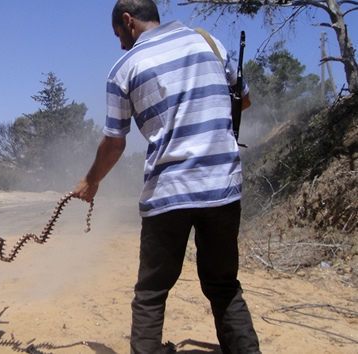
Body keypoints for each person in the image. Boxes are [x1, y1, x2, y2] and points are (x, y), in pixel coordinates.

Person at [73, 1, 261, 353]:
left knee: (151, 293)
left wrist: (91, 180)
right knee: (223, 288)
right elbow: (244, 100)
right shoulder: (209, 42)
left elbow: (114, 144)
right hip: (222, 188)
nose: (119, 43)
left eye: (118, 34)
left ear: (128, 21)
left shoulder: (124, 68)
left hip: (168, 191)